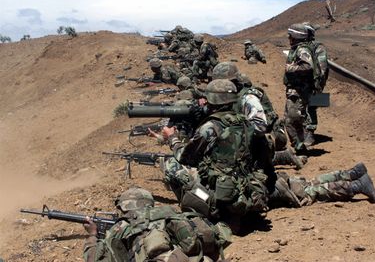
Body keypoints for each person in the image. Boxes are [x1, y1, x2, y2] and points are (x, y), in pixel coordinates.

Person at [159, 79, 271, 233]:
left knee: (171, 165)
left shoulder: (211, 127)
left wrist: (172, 138)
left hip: (219, 197)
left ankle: (206, 212)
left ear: (212, 101)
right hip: (244, 189)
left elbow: (185, 157)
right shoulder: (246, 122)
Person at [83, 187, 232, 262]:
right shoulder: (169, 212)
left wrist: (92, 235)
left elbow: (94, 258)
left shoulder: (120, 228)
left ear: (126, 206)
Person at [211, 62, 307, 170]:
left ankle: (282, 157)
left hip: (271, 136)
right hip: (263, 135)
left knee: (239, 164)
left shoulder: (248, 97)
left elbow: (259, 128)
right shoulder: (235, 93)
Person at [269, 162, 375, 208]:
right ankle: (353, 173)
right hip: (269, 179)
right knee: (306, 184)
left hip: (268, 188)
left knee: (305, 193)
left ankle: (357, 186)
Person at [283, 23, 315, 153]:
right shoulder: (297, 48)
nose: (288, 38)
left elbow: (308, 66)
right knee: (292, 120)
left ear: (295, 36)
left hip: (299, 91)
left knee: (292, 120)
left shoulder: (302, 50)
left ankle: (300, 148)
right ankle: (300, 146)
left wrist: (291, 68)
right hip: (296, 91)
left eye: (290, 35)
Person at [302, 22, 330, 146]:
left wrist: (318, 85)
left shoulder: (318, 47)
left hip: (312, 84)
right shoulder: (300, 47)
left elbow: (323, 69)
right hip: (300, 84)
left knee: (311, 107)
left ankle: (310, 133)